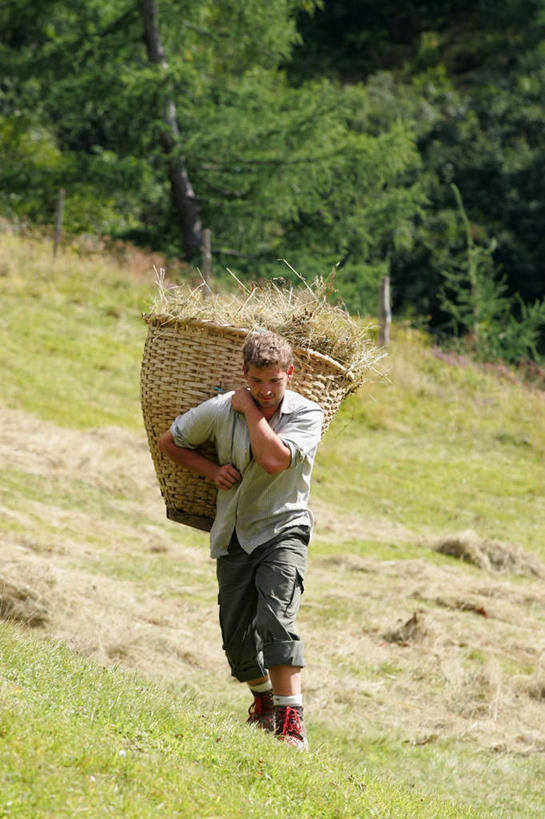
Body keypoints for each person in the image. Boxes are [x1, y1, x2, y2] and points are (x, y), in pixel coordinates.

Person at [158, 331, 324, 749]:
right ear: (243, 374)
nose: (266, 391)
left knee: (277, 621)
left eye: (275, 381)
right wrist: (210, 470)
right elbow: (170, 443)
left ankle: (291, 725)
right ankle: (264, 703)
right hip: (234, 533)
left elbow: (273, 460)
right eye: (257, 382)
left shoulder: (308, 414)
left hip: (285, 529)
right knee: (236, 643)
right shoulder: (218, 410)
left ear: (290, 373)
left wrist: (250, 410)